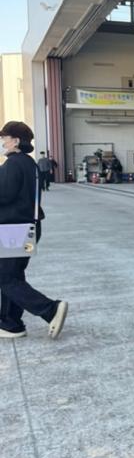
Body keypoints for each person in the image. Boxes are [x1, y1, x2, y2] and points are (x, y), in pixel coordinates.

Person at [0, 121, 68, 338]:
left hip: (13, 229)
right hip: (29, 226)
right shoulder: (30, 164)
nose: (2, 142)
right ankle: (11, 323)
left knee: (6, 278)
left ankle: (50, 309)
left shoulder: (13, 164)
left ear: (15, 141)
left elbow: (4, 195)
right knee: (13, 276)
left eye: (4, 138)